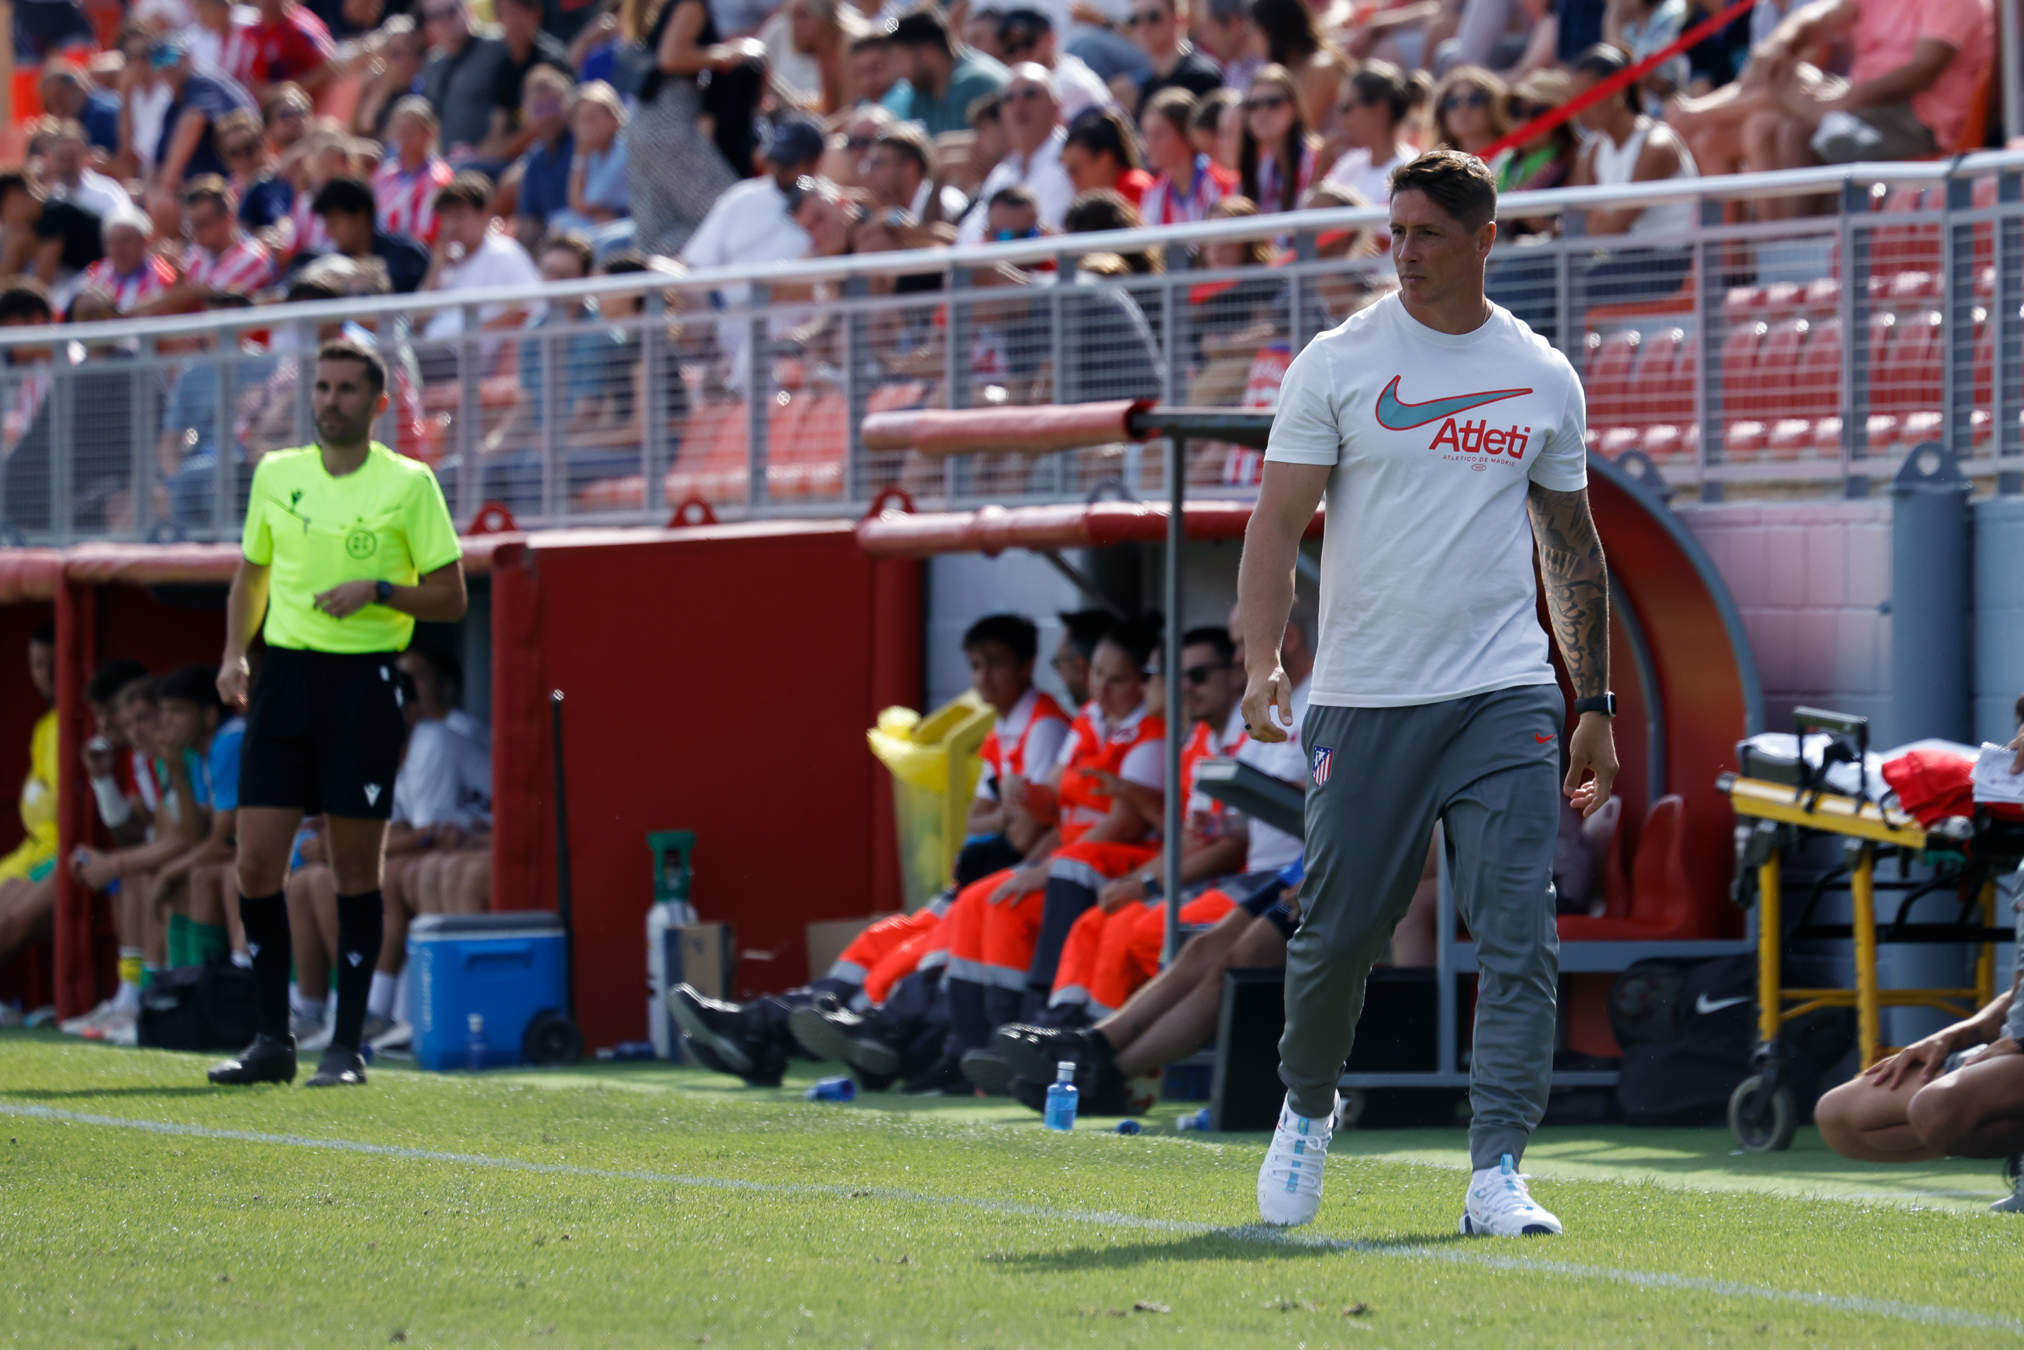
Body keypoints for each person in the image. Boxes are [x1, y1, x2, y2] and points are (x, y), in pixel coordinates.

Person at [1236, 150, 1616, 1235]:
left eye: (1427, 234)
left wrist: (1593, 703)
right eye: (1394, 232)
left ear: (1484, 239)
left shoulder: (1542, 373)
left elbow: (1570, 547)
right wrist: (1263, 658)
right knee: (1338, 935)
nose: (1403, 252)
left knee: (1517, 929)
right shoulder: (1337, 362)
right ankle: (1307, 1109)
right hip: (1364, 697)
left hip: (1504, 690)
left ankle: (1497, 1170)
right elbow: (1275, 523)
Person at [206, 339, 467, 1090]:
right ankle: (272, 1039)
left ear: (378, 405)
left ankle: (347, 1047)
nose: (330, 401)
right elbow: (251, 574)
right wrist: (235, 655)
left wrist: (378, 590)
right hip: (284, 680)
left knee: (354, 869)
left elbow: (451, 597)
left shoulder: (409, 484)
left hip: (363, 684)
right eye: (322, 387)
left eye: (348, 389)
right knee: (256, 862)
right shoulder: (276, 474)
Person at [1742, 0, 1993, 193]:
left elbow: (1923, 72)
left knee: (1803, 133)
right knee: (1765, 126)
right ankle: (1781, 239)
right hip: (1868, 105)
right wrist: (1780, 42)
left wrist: (1847, 100)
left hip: (1921, 123)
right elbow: (1822, 14)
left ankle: (1803, 238)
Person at [620, 0, 745, 255]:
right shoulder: (691, 4)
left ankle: (659, 275)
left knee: (660, 224)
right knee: (729, 211)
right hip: (668, 121)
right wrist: (727, 54)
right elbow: (671, 57)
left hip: (643, 120)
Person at [418, 171, 544, 349]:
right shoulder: (448, 261)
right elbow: (417, 322)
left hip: (464, 357)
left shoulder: (504, 253)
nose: (451, 226)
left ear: (485, 213)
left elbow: (532, 307)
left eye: (460, 215)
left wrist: (473, 336)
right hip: (432, 350)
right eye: (446, 217)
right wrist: (437, 266)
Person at [957, 64, 1075, 245]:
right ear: (1002, 112)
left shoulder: (1074, 159)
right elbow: (967, 236)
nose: (1019, 104)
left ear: (1056, 106)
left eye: (1030, 94)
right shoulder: (1002, 172)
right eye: (1009, 98)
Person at [0, 624, 61, 971]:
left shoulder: (84, 724)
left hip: (64, 858)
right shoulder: (44, 727)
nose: (47, 674)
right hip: (34, 852)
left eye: (55, 663)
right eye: (39, 665)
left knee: (6, 919)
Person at [150, 34, 256, 193]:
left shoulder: (202, 84)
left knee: (161, 199)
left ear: (189, 58)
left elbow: (194, 120)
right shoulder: (173, 107)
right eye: (159, 64)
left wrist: (166, 184)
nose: (168, 68)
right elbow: (157, 161)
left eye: (172, 59)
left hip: (234, 185)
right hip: (198, 191)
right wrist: (150, 188)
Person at [420, 0, 518, 165]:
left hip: (494, 159)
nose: (445, 20)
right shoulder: (433, 64)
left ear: (469, 11)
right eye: (436, 16)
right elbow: (432, 119)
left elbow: (512, 108)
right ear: (429, 25)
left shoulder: (500, 46)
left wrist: (484, 151)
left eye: (451, 11)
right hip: (449, 162)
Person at [890, 7, 1011, 136]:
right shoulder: (922, 93)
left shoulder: (972, 85)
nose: (898, 70)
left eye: (900, 58)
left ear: (929, 53)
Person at [306, 175, 432, 294]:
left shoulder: (405, 256)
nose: (329, 232)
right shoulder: (330, 262)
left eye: (335, 222)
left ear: (361, 216)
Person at [1321, 62, 1423, 206]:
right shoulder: (1350, 164)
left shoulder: (1410, 172)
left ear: (1380, 110)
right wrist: (1323, 166)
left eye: (1346, 108)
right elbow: (1312, 213)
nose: (1341, 119)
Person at [1138, 89, 1234, 226]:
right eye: (1146, 134)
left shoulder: (1220, 184)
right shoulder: (1156, 194)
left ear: (1187, 136)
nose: (1148, 144)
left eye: (1159, 134)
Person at [1246, 0, 1345, 129]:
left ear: (1274, 29)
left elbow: (1297, 130)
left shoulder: (1320, 67)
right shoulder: (1290, 70)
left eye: (1254, 30)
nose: (1249, 39)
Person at [176, 176, 278, 299]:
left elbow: (213, 297)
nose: (196, 233)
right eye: (191, 226)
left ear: (228, 217)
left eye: (203, 223)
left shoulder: (253, 255)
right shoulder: (197, 254)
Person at [372, 97, 457, 246]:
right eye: (399, 130)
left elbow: (428, 233)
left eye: (410, 131)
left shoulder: (438, 178)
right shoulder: (384, 174)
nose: (403, 137)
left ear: (429, 133)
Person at [1237, 64, 1317, 216]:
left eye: (1273, 102)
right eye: (1253, 105)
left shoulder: (1317, 158)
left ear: (1295, 107)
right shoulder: (1264, 169)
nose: (1263, 112)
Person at [1127, 0, 1221, 115]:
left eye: (1153, 17)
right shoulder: (1147, 86)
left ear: (1178, 19)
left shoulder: (1202, 77)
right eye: (1134, 19)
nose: (1143, 26)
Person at [864, 123, 967, 226]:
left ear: (911, 168)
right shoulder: (883, 208)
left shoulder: (946, 204)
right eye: (869, 165)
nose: (869, 173)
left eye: (878, 163)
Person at [78, 208, 177, 314]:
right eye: (112, 241)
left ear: (144, 242)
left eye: (125, 240)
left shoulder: (163, 276)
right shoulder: (95, 276)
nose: (118, 248)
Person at [1059, 109, 1153, 208]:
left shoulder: (1134, 188)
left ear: (1105, 160)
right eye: (1068, 172)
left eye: (1075, 170)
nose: (1071, 179)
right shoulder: (1109, 196)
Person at [1431, 64, 1512, 161]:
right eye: (1452, 102)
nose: (1463, 109)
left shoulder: (1514, 160)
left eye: (1474, 99)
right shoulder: (1439, 166)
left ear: (1494, 105)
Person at [40, 66, 123, 157]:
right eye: (49, 106)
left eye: (59, 98)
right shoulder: (98, 100)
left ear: (79, 89)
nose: (56, 108)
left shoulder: (98, 118)